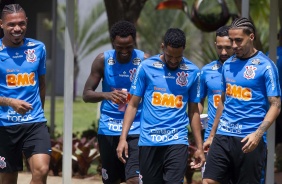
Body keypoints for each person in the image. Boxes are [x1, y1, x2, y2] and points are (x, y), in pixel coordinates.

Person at [116, 28, 205, 184]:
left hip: (177, 139)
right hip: (149, 141)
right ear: (162, 46)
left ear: (184, 49)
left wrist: (199, 147)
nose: (173, 61)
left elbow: (193, 112)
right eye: (170, 56)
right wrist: (123, 138)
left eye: (178, 57)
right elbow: (133, 104)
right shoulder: (146, 67)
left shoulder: (193, 72)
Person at [202, 17, 281, 184]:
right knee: (208, 181)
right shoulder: (228, 64)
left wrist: (258, 134)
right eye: (231, 40)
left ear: (251, 37)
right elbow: (223, 101)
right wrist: (211, 136)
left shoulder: (266, 66)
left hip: (249, 139)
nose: (234, 45)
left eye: (239, 40)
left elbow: (276, 104)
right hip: (223, 135)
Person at [83, 20, 148, 184]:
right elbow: (86, 94)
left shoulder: (144, 61)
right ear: (113, 42)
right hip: (109, 129)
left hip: (136, 127)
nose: (124, 51)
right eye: (120, 47)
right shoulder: (102, 60)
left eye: (129, 47)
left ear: (134, 41)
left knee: (134, 179)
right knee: (111, 180)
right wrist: (107, 95)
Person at [0, 4, 51, 184]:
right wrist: (10, 102)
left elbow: (42, 85)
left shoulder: (38, 48)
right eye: (11, 24)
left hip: (34, 122)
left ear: (26, 22)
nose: (17, 28)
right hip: (4, 125)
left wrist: (40, 114)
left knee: (42, 169)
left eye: (21, 23)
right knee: (7, 179)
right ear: (1, 24)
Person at [199, 25, 234, 142]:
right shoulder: (206, 71)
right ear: (215, 45)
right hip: (212, 137)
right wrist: (196, 119)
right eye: (219, 47)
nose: (223, 52)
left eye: (227, 47)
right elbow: (199, 101)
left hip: (237, 134)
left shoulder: (244, 70)